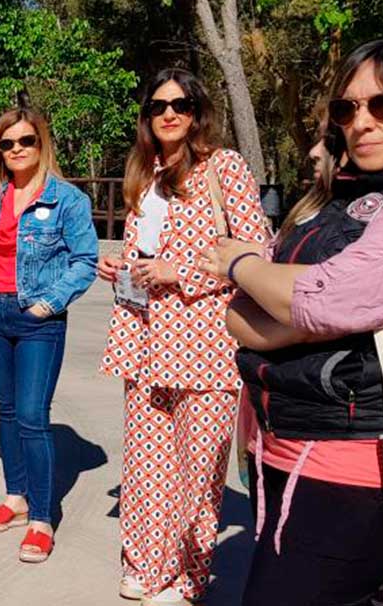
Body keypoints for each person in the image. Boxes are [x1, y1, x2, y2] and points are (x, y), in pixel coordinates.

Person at [204, 36, 383, 606]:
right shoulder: (339, 201)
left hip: (362, 464)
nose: (361, 122)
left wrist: (238, 261)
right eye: (347, 108)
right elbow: (246, 314)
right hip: (285, 442)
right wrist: (288, 301)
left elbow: (320, 299)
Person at [96, 70, 271, 605]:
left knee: (198, 473)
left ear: (198, 112)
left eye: (181, 104)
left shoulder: (225, 167)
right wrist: (126, 269)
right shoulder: (144, 172)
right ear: (146, 115)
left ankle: (187, 578)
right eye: (158, 105)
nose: (169, 113)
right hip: (143, 339)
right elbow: (149, 252)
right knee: (146, 468)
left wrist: (183, 273)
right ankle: (145, 565)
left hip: (204, 347)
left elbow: (258, 251)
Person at [0, 100, 99, 564]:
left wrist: (48, 303)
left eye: (26, 141)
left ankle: (41, 517)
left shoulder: (68, 200)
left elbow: (85, 262)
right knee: (8, 409)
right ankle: (15, 497)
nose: (16, 149)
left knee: (34, 416)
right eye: (7, 143)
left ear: (42, 144)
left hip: (37, 319)